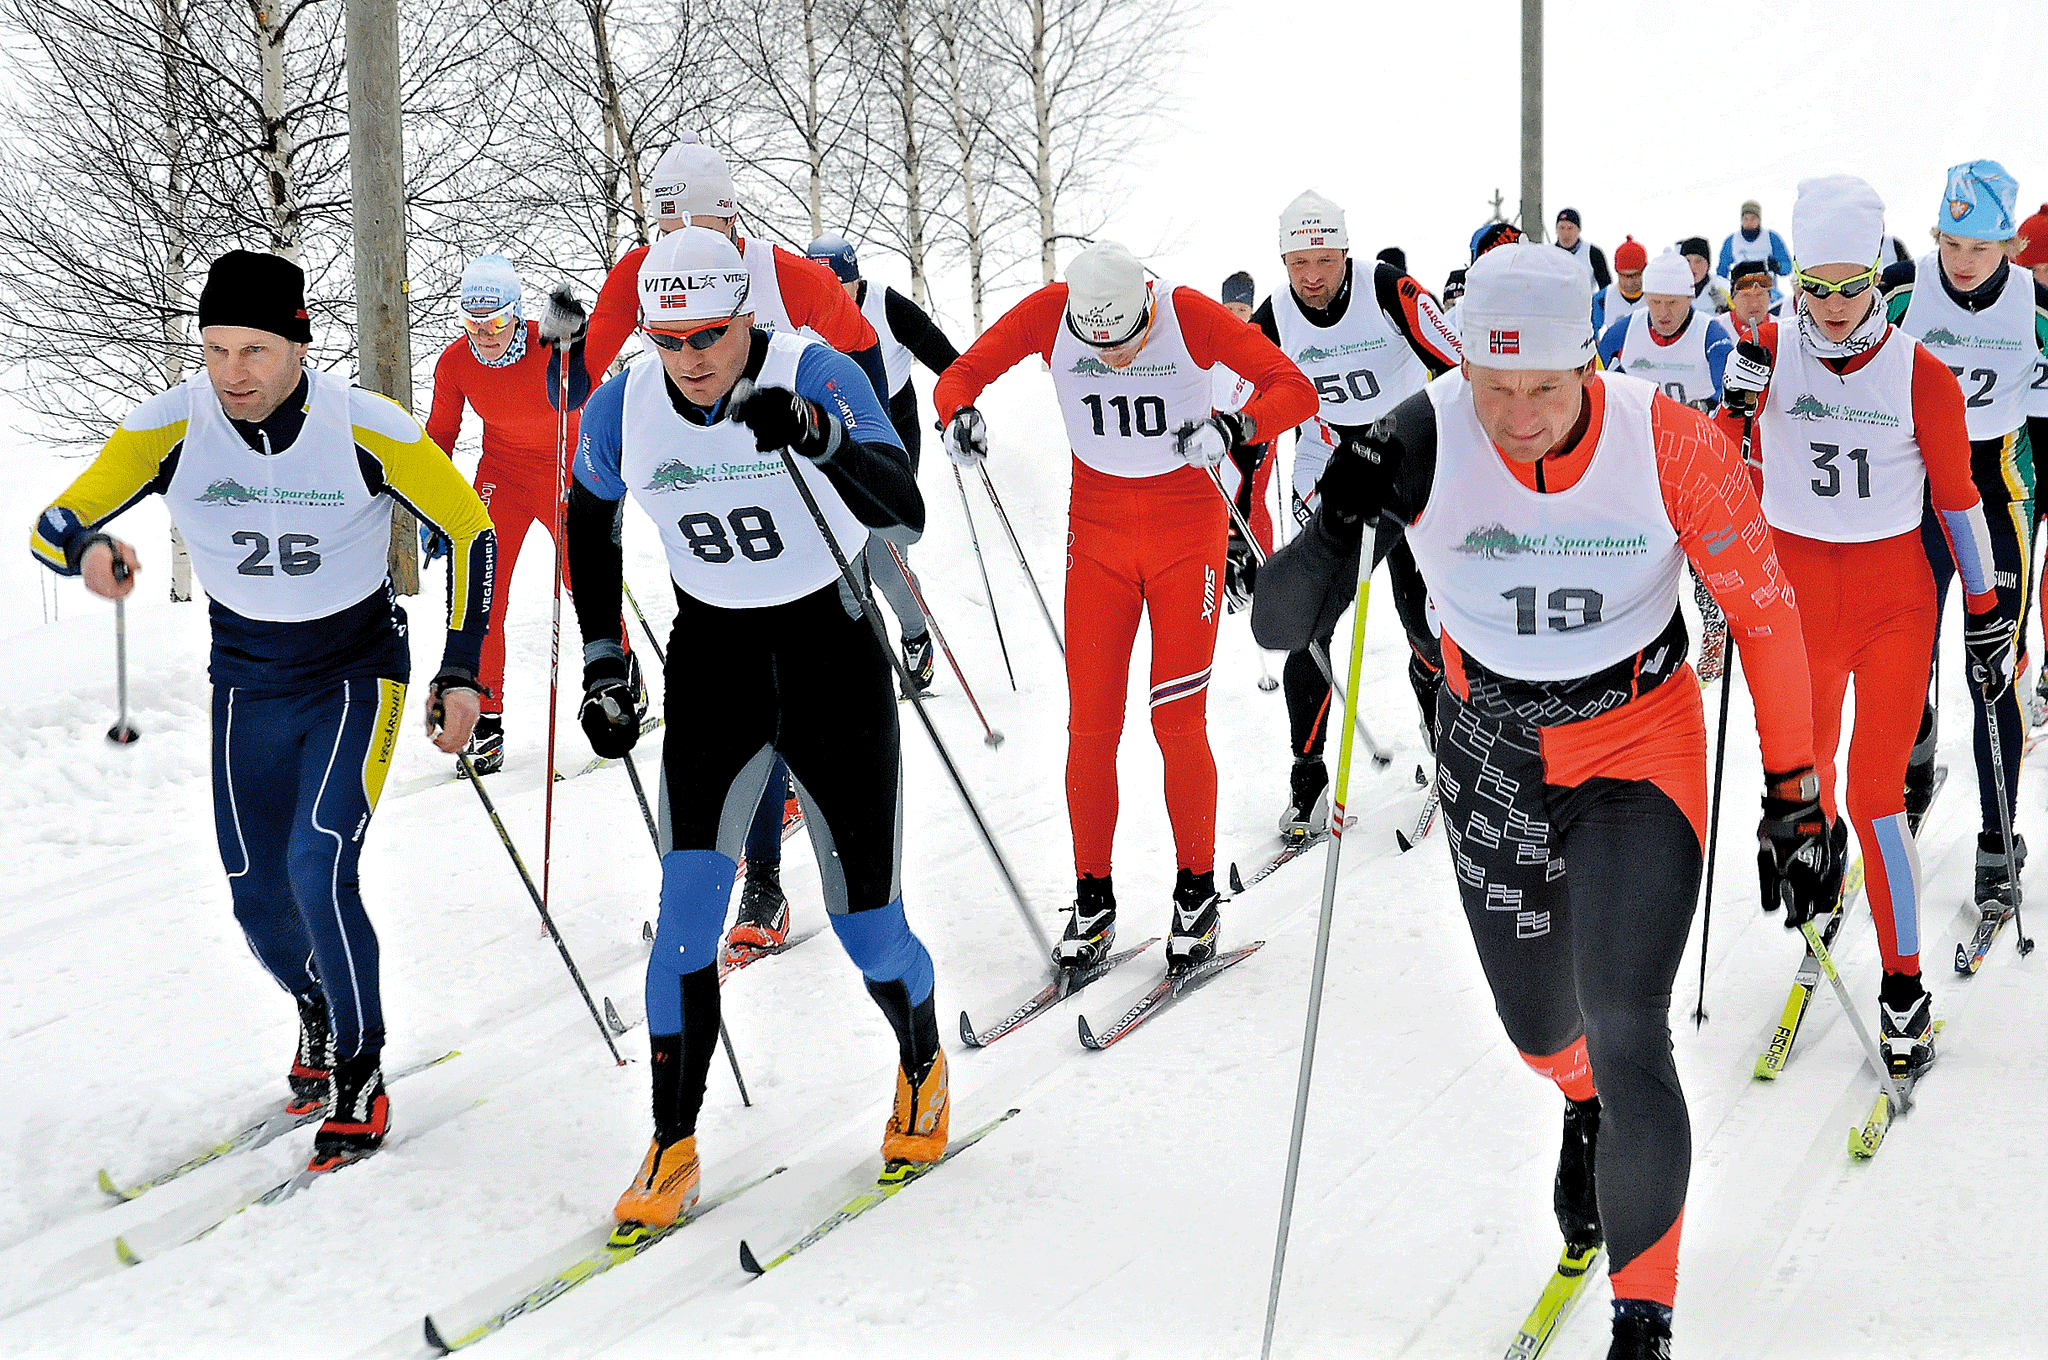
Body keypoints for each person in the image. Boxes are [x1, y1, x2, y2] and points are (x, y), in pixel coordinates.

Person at [1252, 241, 1822, 1360]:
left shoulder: (1668, 441)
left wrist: (1794, 792)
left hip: (1637, 744)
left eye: (1545, 390)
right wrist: (1334, 522)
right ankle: (1581, 1103)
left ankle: (1642, 1323)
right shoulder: (1421, 433)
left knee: (1624, 1020)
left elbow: (1765, 615)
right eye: (1494, 388)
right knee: (1540, 1031)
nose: (1517, 419)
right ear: (1464, 367)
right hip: (1488, 748)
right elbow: (1279, 626)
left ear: (1590, 367)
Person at [28, 250, 498, 1172]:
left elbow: (469, 526)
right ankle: (316, 1005)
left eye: (254, 350)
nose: (232, 373)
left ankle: (360, 1070)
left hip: (357, 671)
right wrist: (86, 553)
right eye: (215, 350)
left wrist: (461, 670)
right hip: (247, 677)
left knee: (318, 864)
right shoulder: (170, 425)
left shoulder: (367, 425)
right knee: (256, 895)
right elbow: (55, 523)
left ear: (299, 345)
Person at [567, 227, 947, 1227]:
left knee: (867, 925)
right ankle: (672, 1140)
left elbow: (904, 511)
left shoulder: (814, 371)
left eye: (708, 335)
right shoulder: (623, 404)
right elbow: (588, 519)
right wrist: (603, 658)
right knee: (685, 917)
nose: (689, 358)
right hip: (714, 665)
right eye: (667, 339)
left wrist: (820, 436)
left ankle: (920, 1057)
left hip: (830, 655)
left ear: (745, 316)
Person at [932, 240, 1316, 971]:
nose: (1113, 358)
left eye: (1128, 341)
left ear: (1145, 304)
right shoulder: (1051, 312)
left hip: (1187, 537)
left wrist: (1235, 428)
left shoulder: (1187, 313)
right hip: (1098, 541)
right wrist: (959, 416)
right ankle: (1093, 897)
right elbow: (959, 375)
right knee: (1090, 725)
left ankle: (1196, 892)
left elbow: (1294, 389)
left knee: (1176, 720)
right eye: (1097, 346)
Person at [567, 136, 891, 965]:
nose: (676, 242)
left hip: (814, 507)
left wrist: (860, 455)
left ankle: (796, 863)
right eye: (662, 225)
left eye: (695, 223)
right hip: (710, 515)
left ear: (731, 217)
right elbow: (581, 381)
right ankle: (758, 883)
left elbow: (862, 353)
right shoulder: (642, 275)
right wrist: (562, 355)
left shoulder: (785, 274)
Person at [1720, 173, 2006, 1078]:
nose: (1835, 306)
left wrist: (1988, 615)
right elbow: (1717, 477)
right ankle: (1822, 847)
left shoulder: (1922, 374)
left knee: (1878, 794)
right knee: (1803, 781)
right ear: (1797, 278)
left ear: (1879, 272)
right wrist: (1731, 410)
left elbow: (1959, 505)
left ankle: (1904, 988)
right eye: (1817, 286)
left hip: (1892, 608)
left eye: (1853, 286)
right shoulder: (1765, 350)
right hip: (1797, 608)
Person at [1248, 190, 1463, 838]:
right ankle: (1308, 780)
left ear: (1345, 251)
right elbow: (1243, 415)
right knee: (1308, 621)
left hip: (1406, 460)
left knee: (1424, 621)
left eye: (1324, 259)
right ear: (1283, 262)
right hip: (1329, 468)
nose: (1312, 276)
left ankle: (1448, 736)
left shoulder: (1387, 289)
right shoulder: (1273, 317)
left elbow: (1461, 368)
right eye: (1298, 263)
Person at [1882, 159, 2048, 917]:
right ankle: (1913, 758)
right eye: (1950, 242)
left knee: (1993, 669)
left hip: (1997, 497)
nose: (1961, 260)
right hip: (1916, 494)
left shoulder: (2034, 307)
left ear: (2009, 246)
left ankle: (1997, 837)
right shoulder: (1903, 295)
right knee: (1904, 650)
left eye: (1979, 246)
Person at [424, 253, 628, 775]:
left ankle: (619, 681)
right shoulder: (455, 362)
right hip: (502, 476)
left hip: (565, 468)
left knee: (583, 583)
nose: (485, 333)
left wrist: (605, 470)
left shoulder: (552, 344)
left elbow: (602, 398)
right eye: (473, 322)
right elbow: (440, 435)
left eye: (496, 321)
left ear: (516, 313)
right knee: (482, 594)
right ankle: (486, 720)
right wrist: (434, 510)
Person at [1213, 270, 1280, 602]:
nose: (1235, 315)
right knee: (1227, 495)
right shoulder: (1215, 338)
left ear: (1251, 310)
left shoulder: (1259, 337)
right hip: (1226, 428)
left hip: (1260, 427)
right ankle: (1228, 561)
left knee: (1254, 496)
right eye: (1230, 309)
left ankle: (1263, 570)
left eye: (1241, 310)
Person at [1598, 250, 1737, 410]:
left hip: (1694, 424)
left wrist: (1704, 407)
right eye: (1655, 302)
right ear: (1646, 298)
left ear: (1689, 298)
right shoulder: (1622, 333)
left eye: (1672, 303)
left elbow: (1731, 391)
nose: (1663, 313)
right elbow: (1594, 385)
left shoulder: (1710, 334)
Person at [1715, 201, 1792, 305]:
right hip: (1742, 290)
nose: (1749, 222)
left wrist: (1777, 266)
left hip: (1767, 290)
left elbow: (1787, 266)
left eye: (1753, 219)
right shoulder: (1732, 241)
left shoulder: (1771, 238)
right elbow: (1722, 271)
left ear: (1759, 220)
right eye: (1746, 219)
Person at [1591, 236, 1648, 332]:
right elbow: (1591, 332)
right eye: (1624, 276)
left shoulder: (1656, 297)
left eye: (1635, 275)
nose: (1629, 283)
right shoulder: (1603, 299)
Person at [1555, 207, 1612, 289]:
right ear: (1556, 230)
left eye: (1570, 228)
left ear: (1578, 230)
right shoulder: (1548, 253)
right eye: (1562, 228)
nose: (1565, 233)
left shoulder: (1593, 253)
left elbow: (1606, 288)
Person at [1678, 238, 1730, 314]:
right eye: (1687, 261)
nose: (1692, 267)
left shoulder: (1722, 287)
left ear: (1708, 265)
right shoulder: (1673, 289)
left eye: (1698, 261)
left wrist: (1727, 309)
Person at [1727, 259, 1776, 335]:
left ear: (1769, 297)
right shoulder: (1716, 330)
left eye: (1760, 294)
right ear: (1733, 299)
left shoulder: (1782, 330)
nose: (1754, 304)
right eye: (1746, 295)